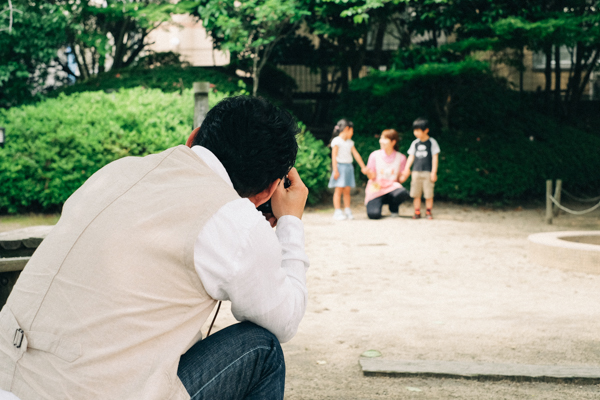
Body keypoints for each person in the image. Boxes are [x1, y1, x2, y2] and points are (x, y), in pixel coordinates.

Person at [0, 96, 310, 400]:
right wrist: (290, 222)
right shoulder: (233, 219)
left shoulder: (116, 171)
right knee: (262, 347)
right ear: (269, 190)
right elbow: (284, 320)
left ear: (193, 138)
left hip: (8, 374)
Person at [363, 129, 411, 219]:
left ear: (393, 142)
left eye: (385, 138)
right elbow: (372, 176)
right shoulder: (374, 155)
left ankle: (393, 207)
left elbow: (400, 180)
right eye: (381, 138)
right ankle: (376, 205)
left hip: (392, 188)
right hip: (376, 188)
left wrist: (406, 174)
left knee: (402, 192)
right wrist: (368, 172)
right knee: (374, 215)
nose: (381, 141)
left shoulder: (401, 157)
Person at [400, 118, 440, 219]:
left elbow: (435, 158)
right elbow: (411, 156)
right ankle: (417, 211)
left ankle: (428, 212)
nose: (416, 133)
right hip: (416, 172)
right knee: (416, 193)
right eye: (415, 130)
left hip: (428, 172)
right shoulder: (415, 143)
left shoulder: (432, 142)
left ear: (426, 130)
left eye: (418, 130)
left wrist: (434, 172)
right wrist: (406, 168)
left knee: (428, 193)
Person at [328, 119, 367, 220]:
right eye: (352, 131)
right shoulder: (336, 141)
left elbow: (356, 155)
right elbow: (334, 156)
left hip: (349, 167)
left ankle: (347, 209)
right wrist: (335, 170)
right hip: (340, 168)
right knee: (338, 190)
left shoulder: (350, 142)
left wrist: (363, 167)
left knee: (347, 191)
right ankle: (337, 211)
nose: (352, 133)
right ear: (347, 129)